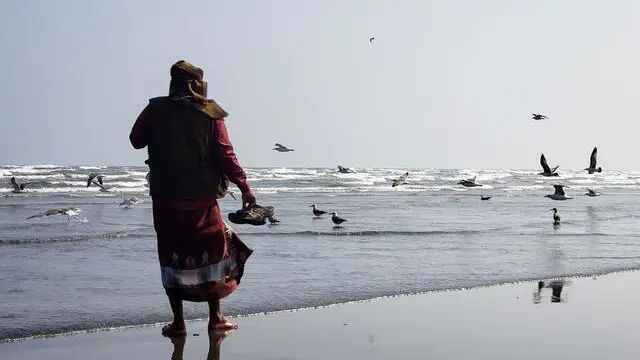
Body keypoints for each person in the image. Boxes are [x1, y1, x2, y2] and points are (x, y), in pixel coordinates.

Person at [129, 60, 256, 337]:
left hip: (165, 199)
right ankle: (215, 318)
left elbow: (136, 140)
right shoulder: (210, 114)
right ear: (198, 83)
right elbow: (225, 155)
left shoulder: (155, 109)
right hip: (202, 200)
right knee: (211, 256)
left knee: (171, 257)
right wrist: (244, 187)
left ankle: (178, 322)